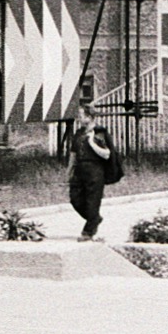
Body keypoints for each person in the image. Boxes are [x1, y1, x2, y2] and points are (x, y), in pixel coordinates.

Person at [67, 103, 114, 242]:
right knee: (75, 199)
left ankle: (88, 232)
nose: (79, 118)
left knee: (92, 201)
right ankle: (95, 219)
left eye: (81, 115)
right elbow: (73, 153)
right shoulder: (79, 133)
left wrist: (92, 143)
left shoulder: (99, 132)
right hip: (79, 169)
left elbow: (106, 154)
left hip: (95, 170)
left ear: (89, 116)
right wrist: (69, 170)